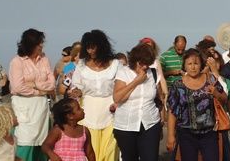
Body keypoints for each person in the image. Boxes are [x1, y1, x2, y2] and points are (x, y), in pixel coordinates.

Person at [166, 48, 230, 161]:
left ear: (201, 64)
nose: (193, 67)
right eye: (189, 64)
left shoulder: (211, 79)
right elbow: (172, 111)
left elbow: (225, 99)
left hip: (209, 134)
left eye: (196, 63)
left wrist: (216, 93)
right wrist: (170, 136)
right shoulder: (178, 85)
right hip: (186, 134)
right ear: (184, 66)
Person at [69, 30, 120, 161]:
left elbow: (121, 85)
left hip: (111, 111)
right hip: (88, 111)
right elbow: (75, 85)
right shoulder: (81, 65)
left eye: (93, 47)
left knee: (110, 150)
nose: (90, 51)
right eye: (88, 48)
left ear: (101, 46)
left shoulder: (115, 64)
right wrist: (76, 91)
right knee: (91, 149)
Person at [9, 28, 55, 161]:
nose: (41, 46)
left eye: (42, 43)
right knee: (25, 140)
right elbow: (17, 87)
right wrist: (39, 90)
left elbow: (51, 84)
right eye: (39, 43)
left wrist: (33, 84)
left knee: (42, 140)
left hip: (41, 106)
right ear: (30, 44)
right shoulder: (17, 62)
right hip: (24, 105)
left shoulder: (44, 59)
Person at [112, 42, 163, 161]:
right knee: (130, 158)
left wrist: (162, 119)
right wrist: (136, 81)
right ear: (134, 59)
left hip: (150, 123)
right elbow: (117, 98)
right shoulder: (123, 72)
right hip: (126, 125)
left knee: (150, 158)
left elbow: (159, 98)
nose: (145, 67)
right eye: (142, 63)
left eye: (148, 64)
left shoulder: (153, 73)